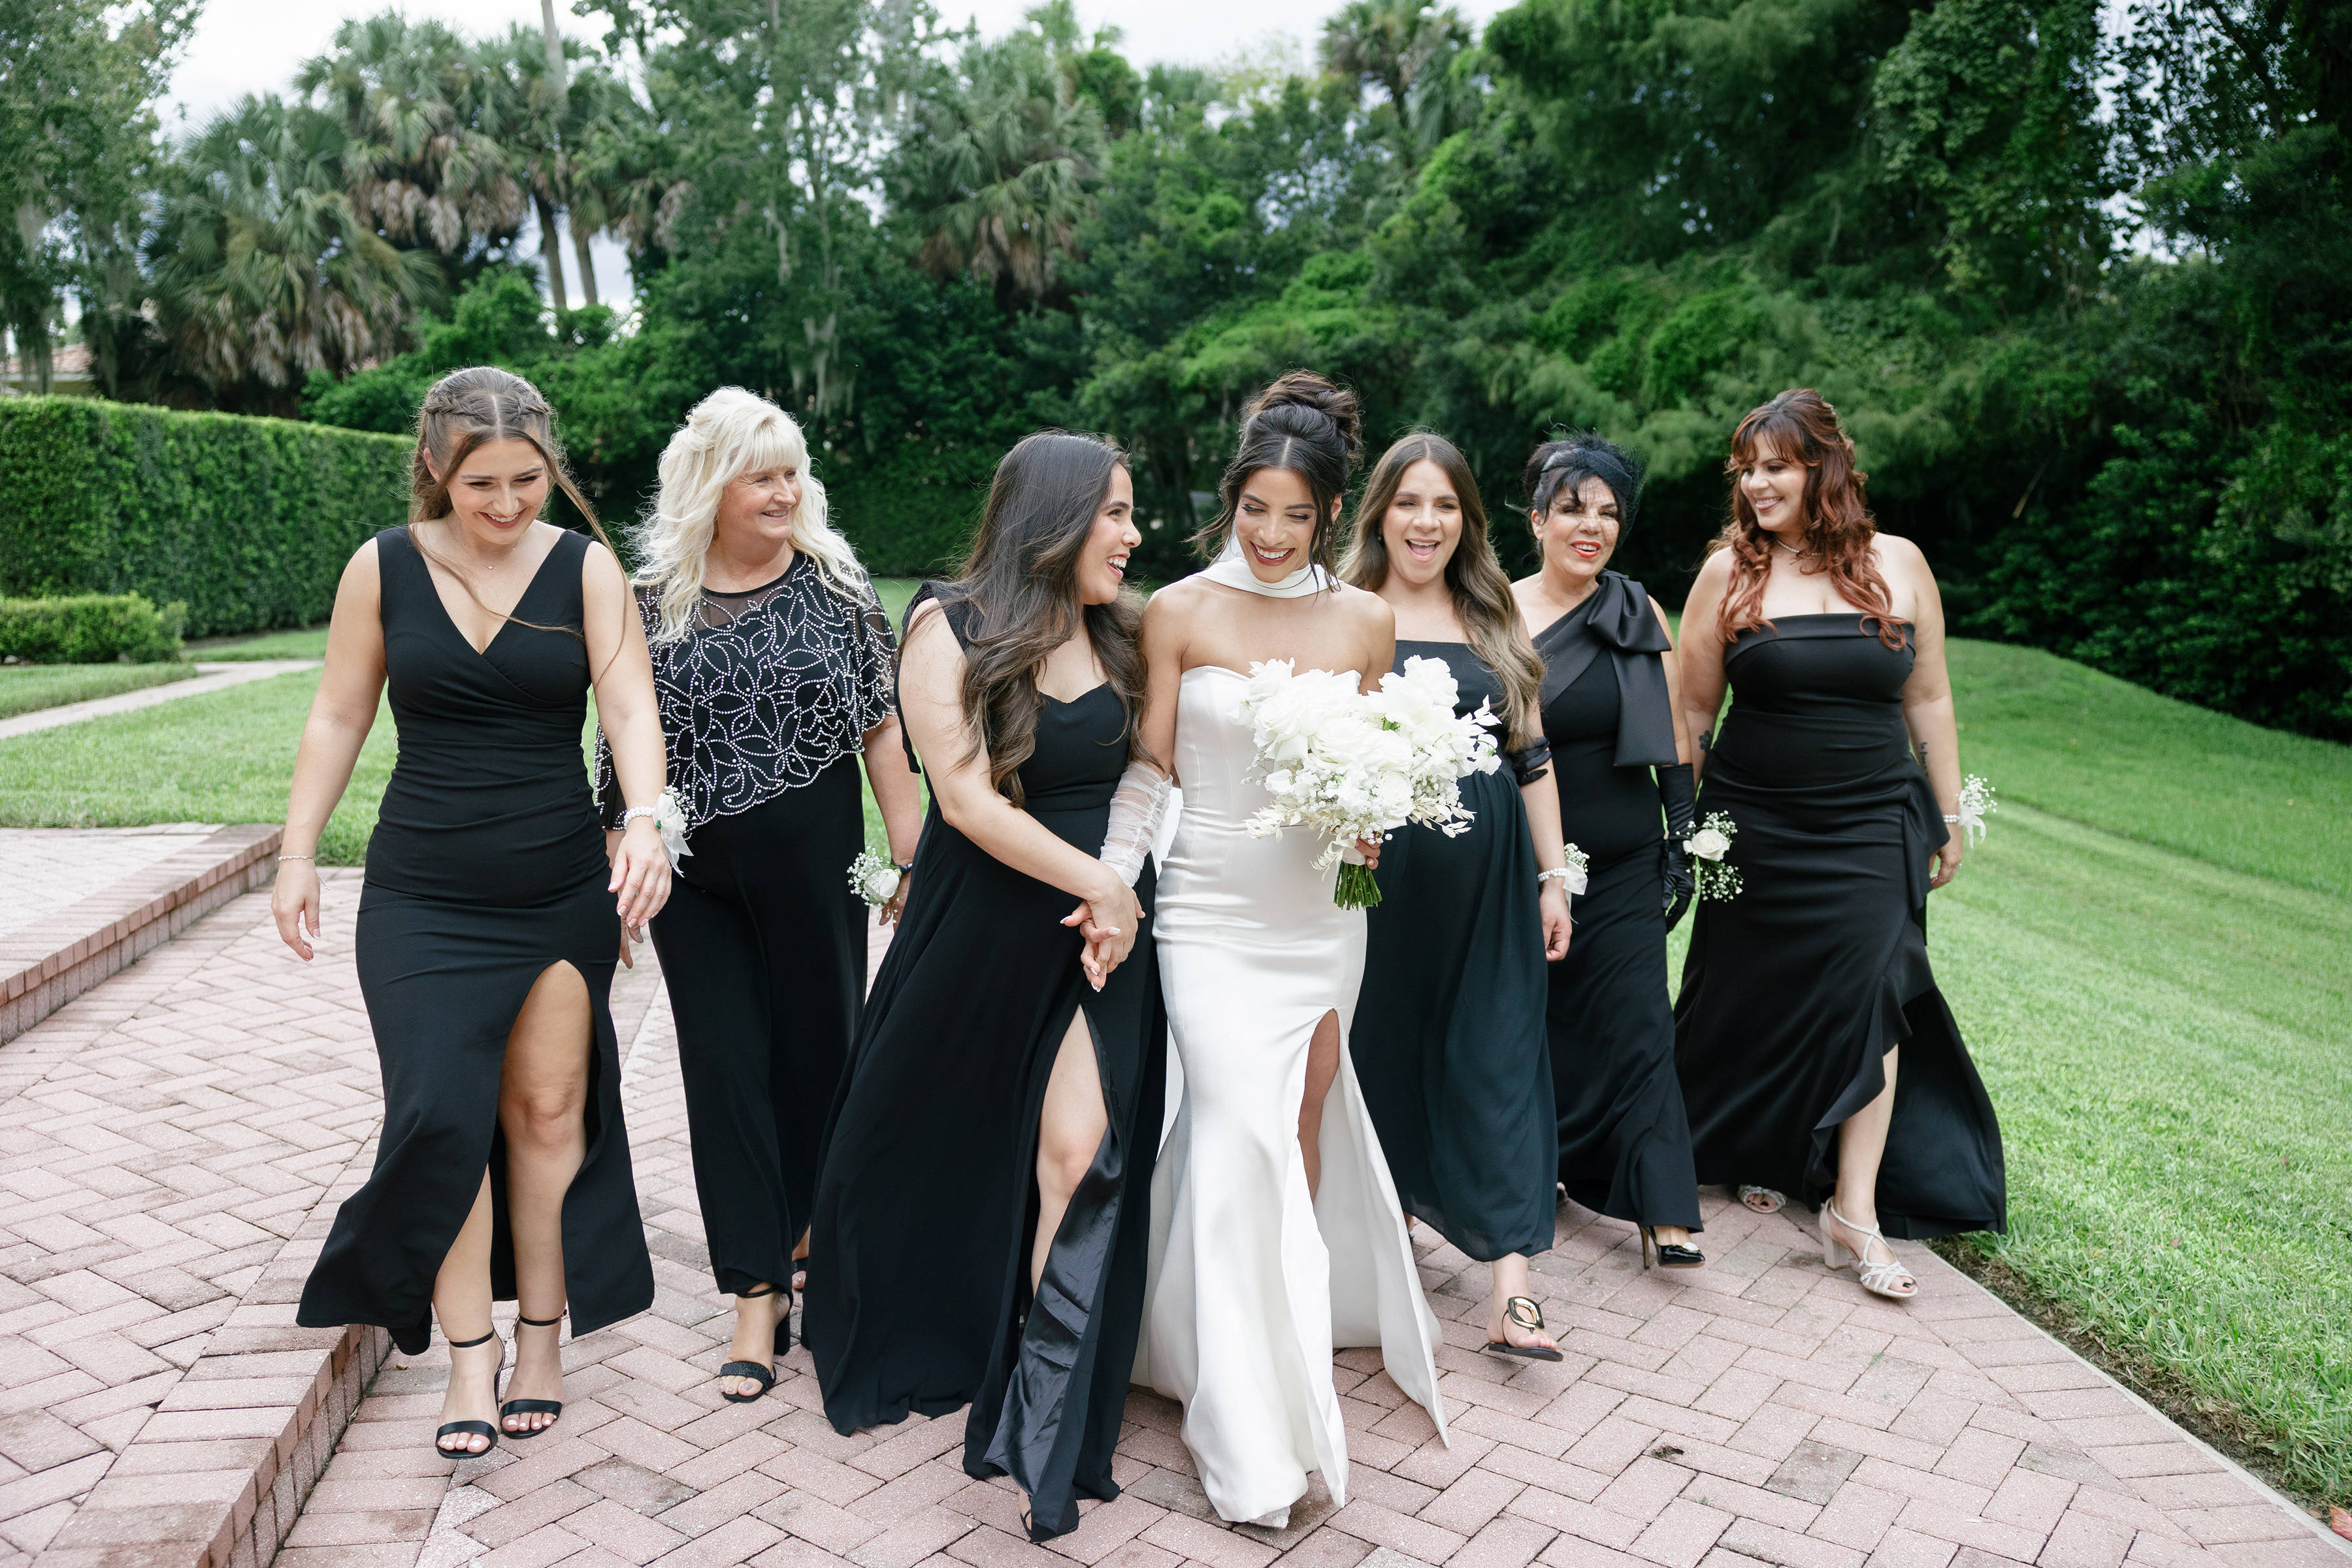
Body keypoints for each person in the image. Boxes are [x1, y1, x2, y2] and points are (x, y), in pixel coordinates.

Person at [280, 366, 671, 1458]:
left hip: (555, 891)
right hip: (420, 894)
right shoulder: (384, 568)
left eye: (527, 480)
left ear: (551, 467)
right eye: (482, 483)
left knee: (549, 1117)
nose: (506, 505)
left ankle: (539, 1340)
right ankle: (465, 1359)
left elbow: (631, 704)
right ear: (436, 471)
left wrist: (645, 820)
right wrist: (297, 850)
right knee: (439, 1119)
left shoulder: (587, 572)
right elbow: (337, 712)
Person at [803, 433, 1162, 1542]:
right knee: (914, 1144)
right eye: (1113, 514)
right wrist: (1098, 882)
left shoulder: (1127, 632)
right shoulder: (945, 624)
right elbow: (960, 799)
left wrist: (1117, 894)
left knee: (1076, 1157)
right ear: (1052, 518)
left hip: (1095, 940)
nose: (1132, 534)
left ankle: (1042, 1425)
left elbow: (1150, 770)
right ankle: (924, 1325)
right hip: (979, 929)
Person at [1132, 372, 1447, 1529]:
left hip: (1322, 916)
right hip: (1208, 913)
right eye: (1253, 510)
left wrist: (1377, 805)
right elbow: (1153, 768)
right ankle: (1246, 1428)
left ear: (1328, 516)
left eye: (1295, 516)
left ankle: (1284, 1338)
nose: (1270, 536)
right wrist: (1116, 886)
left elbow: (1383, 762)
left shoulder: (1365, 621)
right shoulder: (1176, 611)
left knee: (1298, 1130)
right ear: (1230, 503)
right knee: (1232, 1132)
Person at [590, 388, 923, 1402]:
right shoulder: (651, 601)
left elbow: (885, 737)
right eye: (763, 473)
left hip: (816, 871)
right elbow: (618, 754)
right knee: (724, 1073)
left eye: (793, 472)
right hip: (697, 886)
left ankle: (820, 1252)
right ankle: (754, 1291)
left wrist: (912, 865)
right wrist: (622, 867)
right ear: (711, 486)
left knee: (821, 1062)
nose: (786, 491)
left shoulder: (839, 588)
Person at [1673, 389, 2006, 1299]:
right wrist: (1680, 824)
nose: (1755, 484)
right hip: (1752, 817)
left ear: (1824, 466)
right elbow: (1694, 709)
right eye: (1746, 468)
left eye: (1775, 465)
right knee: (1748, 989)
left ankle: (1851, 1210)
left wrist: (1947, 810)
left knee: (1877, 982)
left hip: (1871, 817)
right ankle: (1759, 1148)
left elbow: (1928, 695)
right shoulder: (1726, 574)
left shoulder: (1898, 563)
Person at [1338, 432, 1573, 1360]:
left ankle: (1514, 1289)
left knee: (1500, 1053)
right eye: (1408, 503)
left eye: (1444, 506)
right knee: (1379, 1049)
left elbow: (1535, 759)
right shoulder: (1345, 615)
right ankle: (1385, 1221)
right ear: (1381, 513)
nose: (1426, 522)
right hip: (1377, 880)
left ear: (1467, 520)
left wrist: (1555, 877)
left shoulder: (1493, 617)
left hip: (1491, 880)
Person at [1511, 433, 1707, 1269]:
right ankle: (1544, 1163)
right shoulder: (1498, 611)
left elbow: (1670, 735)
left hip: (1626, 855)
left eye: (1608, 513)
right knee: (1537, 1019)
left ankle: (1664, 1207)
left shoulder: (1637, 608)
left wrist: (1683, 835)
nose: (1591, 527)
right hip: (1525, 854)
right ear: (1538, 519)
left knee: (1637, 1021)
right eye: (1572, 510)